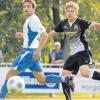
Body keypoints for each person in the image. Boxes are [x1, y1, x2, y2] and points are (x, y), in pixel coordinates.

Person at [0, 0, 73, 99]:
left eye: (28, 6)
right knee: (42, 80)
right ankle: (66, 79)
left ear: (34, 8)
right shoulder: (30, 19)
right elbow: (37, 35)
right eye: (24, 6)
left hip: (29, 53)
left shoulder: (33, 19)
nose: (25, 8)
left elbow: (45, 35)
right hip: (33, 54)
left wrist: (37, 51)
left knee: (10, 74)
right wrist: (23, 35)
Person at [48, 1, 100, 100]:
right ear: (65, 12)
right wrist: (36, 39)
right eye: (68, 11)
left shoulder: (80, 22)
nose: (70, 13)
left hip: (83, 52)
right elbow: (49, 34)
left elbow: (95, 25)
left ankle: (71, 79)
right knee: (64, 76)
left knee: (84, 73)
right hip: (74, 55)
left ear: (76, 12)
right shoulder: (63, 24)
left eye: (72, 11)